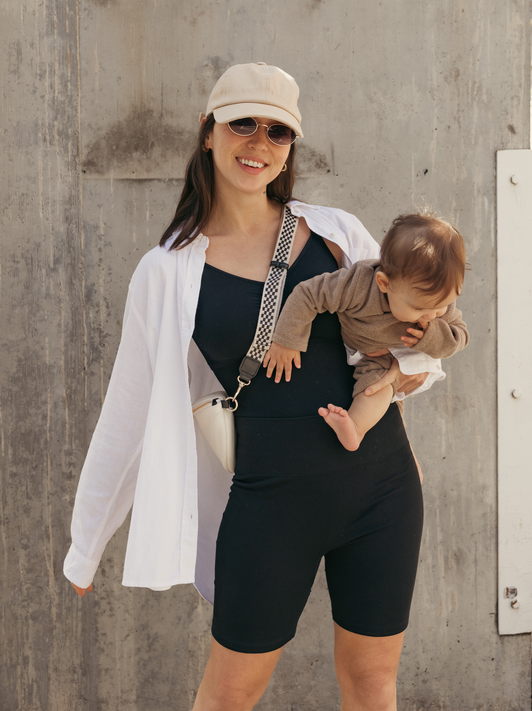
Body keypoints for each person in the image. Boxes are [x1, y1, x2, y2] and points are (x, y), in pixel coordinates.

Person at [64, 62, 445, 711]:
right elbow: (127, 411)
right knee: (230, 694)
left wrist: (408, 357)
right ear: (208, 131)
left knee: (373, 683)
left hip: (381, 491)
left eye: (278, 132)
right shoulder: (166, 271)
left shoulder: (334, 232)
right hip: (268, 507)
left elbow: (415, 346)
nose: (259, 144)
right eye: (243, 123)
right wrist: (85, 545)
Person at [265, 213, 469, 452]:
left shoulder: (437, 304)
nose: (431, 315)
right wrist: (287, 340)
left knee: (377, 387)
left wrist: (432, 336)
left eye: (442, 305)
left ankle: (356, 428)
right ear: (384, 283)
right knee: (380, 392)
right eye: (418, 308)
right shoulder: (358, 286)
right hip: (365, 347)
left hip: (400, 357)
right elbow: (309, 294)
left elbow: (460, 336)